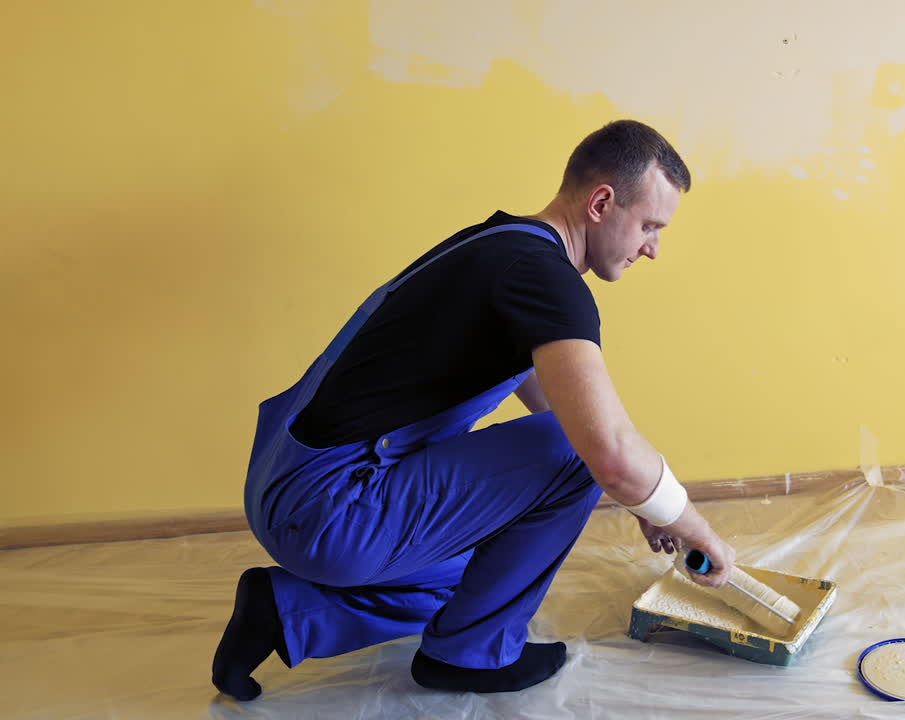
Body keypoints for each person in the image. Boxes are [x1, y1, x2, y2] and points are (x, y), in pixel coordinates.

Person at [212, 119, 737, 700]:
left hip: (284, 486)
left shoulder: (501, 246)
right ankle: (468, 657)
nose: (653, 249)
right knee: (571, 457)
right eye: (650, 226)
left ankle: (282, 612)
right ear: (602, 201)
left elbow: (564, 407)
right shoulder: (545, 279)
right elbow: (604, 449)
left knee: (490, 574)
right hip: (329, 507)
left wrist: (642, 497)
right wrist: (690, 522)